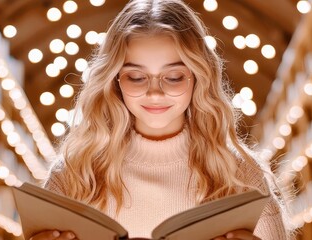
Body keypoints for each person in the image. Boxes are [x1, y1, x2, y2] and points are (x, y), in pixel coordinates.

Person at [30, 0, 292, 239]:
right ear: (115, 80)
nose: (155, 93)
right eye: (136, 77)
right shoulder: (75, 173)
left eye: (174, 77)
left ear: (198, 77)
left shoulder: (240, 175)